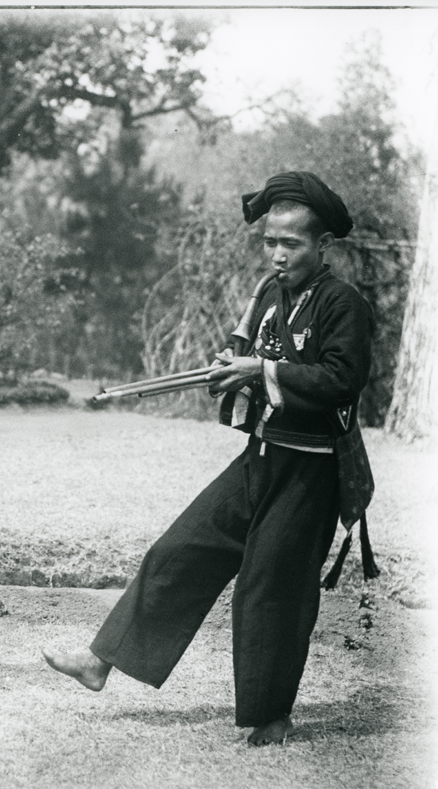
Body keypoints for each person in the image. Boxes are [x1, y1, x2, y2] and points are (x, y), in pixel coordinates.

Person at [44, 171, 375, 746]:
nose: (277, 255)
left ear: (322, 245)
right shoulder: (270, 296)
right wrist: (231, 371)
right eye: (269, 242)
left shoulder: (343, 303)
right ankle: (101, 662)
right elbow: (248, 360)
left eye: (291, 244)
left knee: (270, 587)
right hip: (261, 458)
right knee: (180, 550)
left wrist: (260, 371)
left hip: (311, 471)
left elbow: (342, 380)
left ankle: (271, 717)